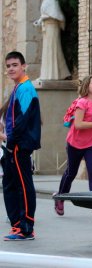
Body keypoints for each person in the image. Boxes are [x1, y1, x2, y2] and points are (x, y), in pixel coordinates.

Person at [53, 75, 92, 218]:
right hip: (74, 143)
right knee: (71, 172)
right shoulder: (82, 102)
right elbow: (78, 124)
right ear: (87, 86)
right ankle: (61, 197)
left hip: (90, 143)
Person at [2, 51, 42, 241]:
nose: (11, 68)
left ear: (24, 66)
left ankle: (26, 227)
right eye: (8, 66)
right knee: (10, 184)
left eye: (15, 65)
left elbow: (22, 120)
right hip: (12, 145)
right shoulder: (18, 88)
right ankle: (17, 225)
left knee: (23, 185)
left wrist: (10, 144)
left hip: (19, 146)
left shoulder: (26, 88)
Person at [33, 0, 71, 80]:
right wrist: (40, 20)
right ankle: (46, 75)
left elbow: (55, 14)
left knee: (52, 49)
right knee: (47, 50)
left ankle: (53, 75)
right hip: (47, 26)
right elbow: (46, 13)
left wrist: (42, 18)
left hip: (52, 27)